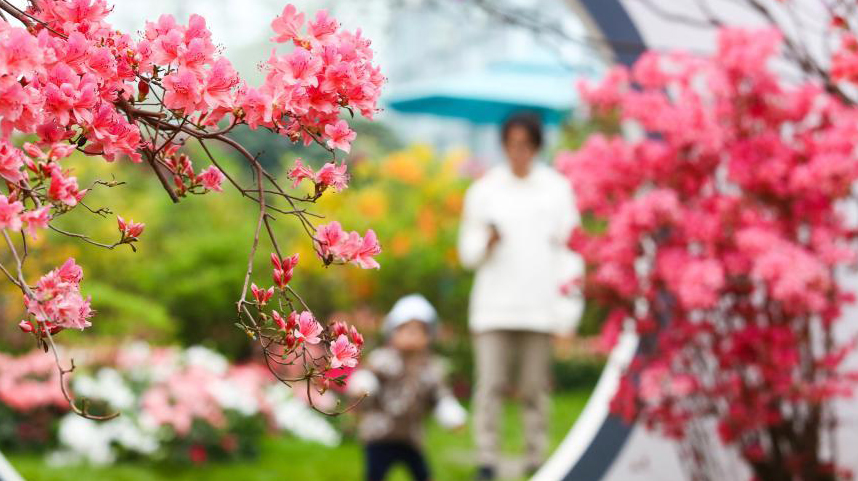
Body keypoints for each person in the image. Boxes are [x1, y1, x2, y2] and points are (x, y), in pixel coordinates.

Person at [458, 112, 582, 480]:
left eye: (526, 146)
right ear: (503, 146)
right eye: (512, 145)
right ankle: (487, 458)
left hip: (539, 308)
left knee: (534, 390)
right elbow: (467, 252)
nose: (519, 153)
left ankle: (535, 457)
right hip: (494, 308)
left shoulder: (557, 189)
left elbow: (570, 252)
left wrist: (568, 312)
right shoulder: (486, 190)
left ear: (537, 147)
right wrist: (488, 242)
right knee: (490, 388)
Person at [347, 294, 467, 481]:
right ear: (392, 332)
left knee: (422, 474)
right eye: (405, 329)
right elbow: (368, 376)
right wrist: (362, 386)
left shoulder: (431, 368)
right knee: (375, 475)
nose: (411, 335)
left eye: (418, 330)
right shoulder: (383, 360)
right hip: (380, 434)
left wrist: (452, 415)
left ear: (429, 336)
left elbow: (440, 397)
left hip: (411, 437)